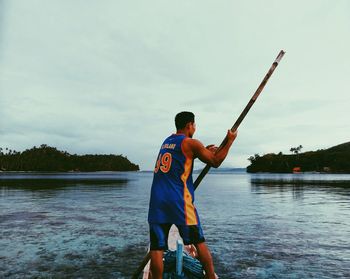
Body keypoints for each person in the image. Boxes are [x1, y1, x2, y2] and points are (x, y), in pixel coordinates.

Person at [148, 111, 237, 279]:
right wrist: (230, 141)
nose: (195, 128)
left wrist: (205, 149)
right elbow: (215, 161)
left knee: (156, 248)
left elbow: (186, 155)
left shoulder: (167, 141)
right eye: (194, 125)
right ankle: (211, 276)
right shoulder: (191, 143)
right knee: (199, 241)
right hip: (178, 200)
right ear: (189, 125)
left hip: (157, 201)